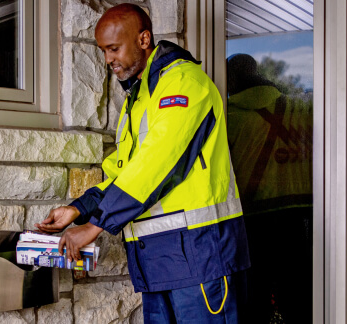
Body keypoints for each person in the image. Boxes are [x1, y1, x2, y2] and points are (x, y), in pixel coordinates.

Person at [36, 4, 250, 323]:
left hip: (200, 262)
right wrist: (79, 208)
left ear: (144, 38)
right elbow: (126, 174)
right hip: (159, 266)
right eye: (103, 51)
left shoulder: (183, 84)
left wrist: (95, 227)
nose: (108, 59)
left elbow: (157, 164)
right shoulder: (138, 100)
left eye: (114, 48)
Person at [227, 54, 313, 323]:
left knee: (256, 299)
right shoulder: (299, 109)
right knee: (300, 297)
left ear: (231, 80)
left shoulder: (228, 116)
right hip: (302, 216)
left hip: (254, 218)